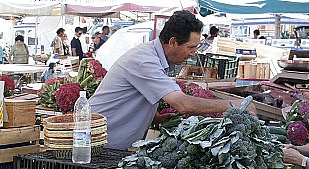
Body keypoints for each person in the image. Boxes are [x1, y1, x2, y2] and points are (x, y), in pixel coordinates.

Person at [89, 10, 234, 151]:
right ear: (173, 42)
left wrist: (155, 117)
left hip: (109, 143)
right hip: (96, 144)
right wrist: (234, 105)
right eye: (191, 47)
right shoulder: (145, 61)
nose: (193, 53)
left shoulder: (156, 58)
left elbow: (135, 94)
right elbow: (183, 104)